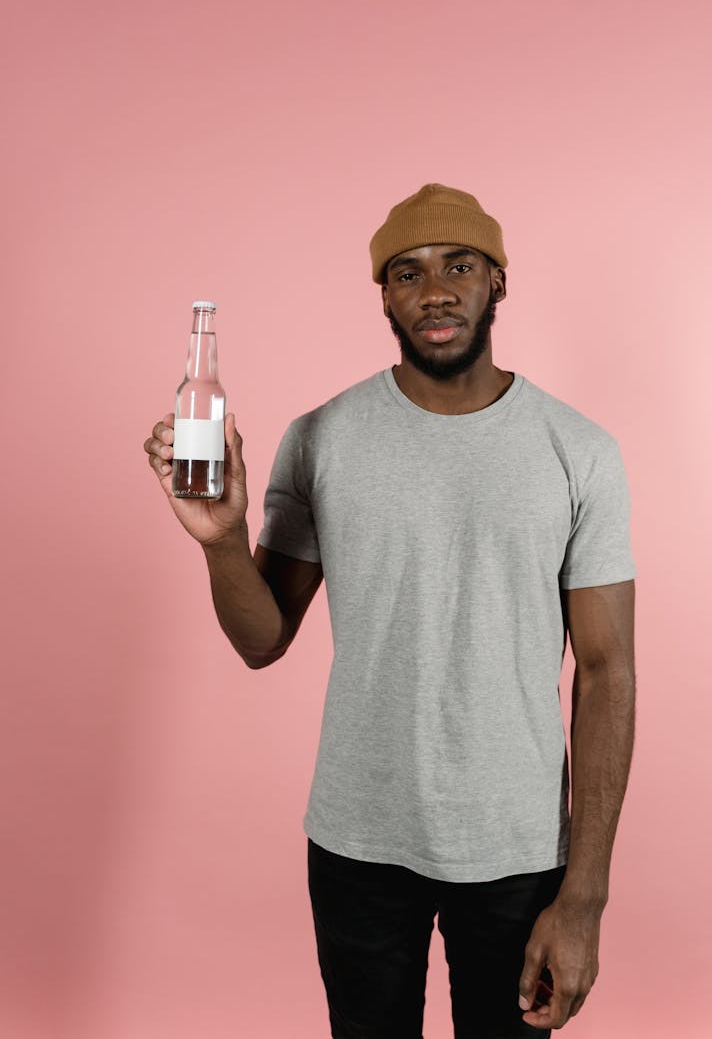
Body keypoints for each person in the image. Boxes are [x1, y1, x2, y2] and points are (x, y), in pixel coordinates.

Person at [144, 183, 636, 1039]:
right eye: (407, 272)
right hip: (357, 841)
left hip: (517, 852)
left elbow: (606, 670)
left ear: (498, 283)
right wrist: (220, 539)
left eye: (459, 266)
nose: (435, 289)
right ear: (385, 297)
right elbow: (263, 638)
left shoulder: (579, 450)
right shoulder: (321, 436)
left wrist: (584, 894)